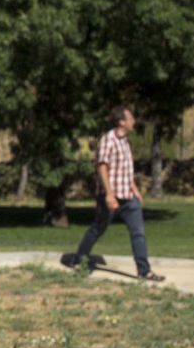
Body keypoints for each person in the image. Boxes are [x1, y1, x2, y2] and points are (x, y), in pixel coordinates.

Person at [60, 106, 165, 282]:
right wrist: (109, 194)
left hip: (128, 197)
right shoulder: (108, 140)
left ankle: (144, 271)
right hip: (110, 196)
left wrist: (135, 190)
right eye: (130, 118)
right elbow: (102, 167)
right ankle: (79, 260)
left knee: (138, 232)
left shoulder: (126, 141)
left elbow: (125, 169)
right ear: (121, 122)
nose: (134, 121)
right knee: (98, 228)